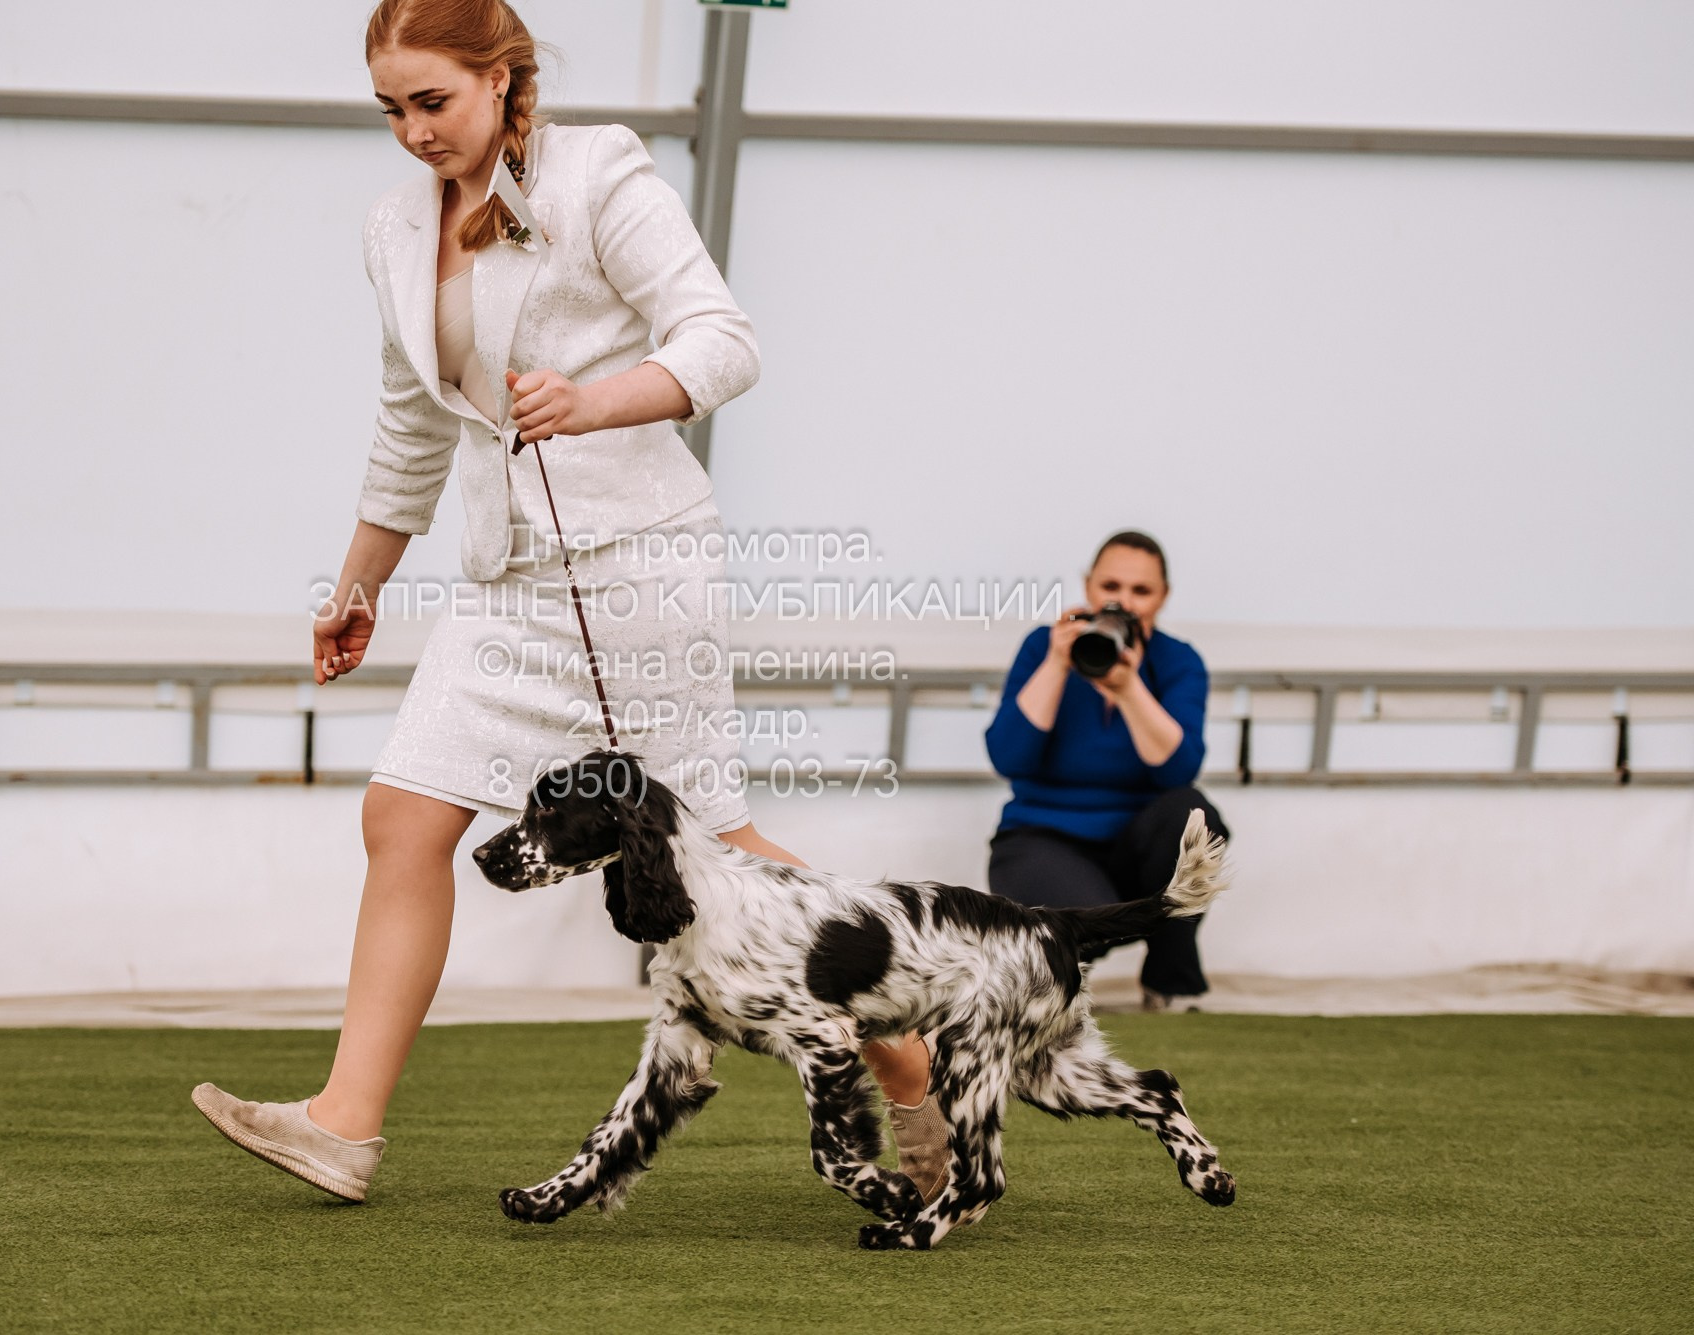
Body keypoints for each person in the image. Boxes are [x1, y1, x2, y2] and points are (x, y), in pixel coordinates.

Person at [190, 0, 941, 1205]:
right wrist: (357, 587)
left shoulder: (600, 171)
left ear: (501, 78)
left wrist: (593, 401)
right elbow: (410, 425)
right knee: (401, 816)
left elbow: (723, 342)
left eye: (431, 101)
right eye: (389, 109)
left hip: (637, 566)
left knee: (714, 840)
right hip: (504, 586)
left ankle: (905, 1059)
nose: (410, 132)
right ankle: (342, 1125)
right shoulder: (393, 227)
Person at [983, 530, 1230, 1012]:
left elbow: (1177, 771)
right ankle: (1055, 988)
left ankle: (1171, 981)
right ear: (1089, 586)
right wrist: (1058, 663)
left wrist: (1128, 688)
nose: (1124, 602)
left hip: (1137, 841)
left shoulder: (1178, 661)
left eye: (1141, 591)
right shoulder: (1042, 647)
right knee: (1085, 921)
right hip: (1042, 834)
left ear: (1163, 598)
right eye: (1111, 587)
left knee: (1195, 817)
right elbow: (1008, 757)